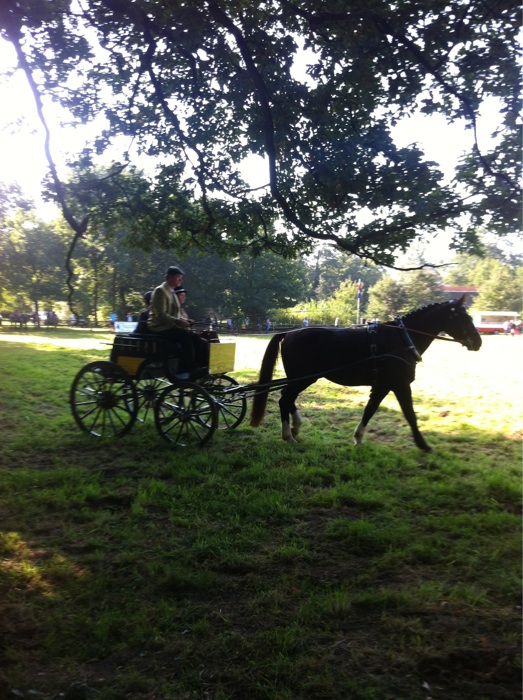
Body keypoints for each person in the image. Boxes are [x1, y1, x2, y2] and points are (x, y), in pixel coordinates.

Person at [148, 266, 208, 378]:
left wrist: (185, 321)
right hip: (159, 327)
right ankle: (188, 369)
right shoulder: (160, 290)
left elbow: (175, 314)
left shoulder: (172, 291)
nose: (180, 280)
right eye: (177, 278)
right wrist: (178, 322)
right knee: (185, 335)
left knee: (195, 336)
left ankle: (200, 366)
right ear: (169, 277)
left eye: (181, 278)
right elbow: (161, 315)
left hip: (169, 325)